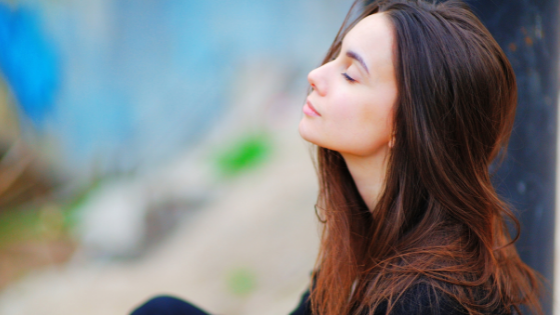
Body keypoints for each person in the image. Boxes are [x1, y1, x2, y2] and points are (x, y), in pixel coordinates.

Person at [131, 0, 543, 314]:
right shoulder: (373, 230)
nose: (316, 74)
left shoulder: (427, 299)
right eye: (335, 57)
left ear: (406, 124)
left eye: (350, 73)